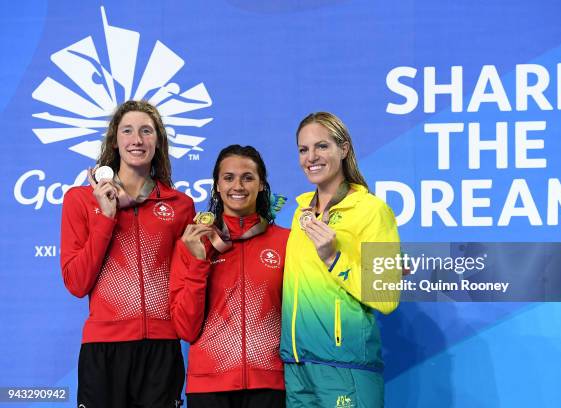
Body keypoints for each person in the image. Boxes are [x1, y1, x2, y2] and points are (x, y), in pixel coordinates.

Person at [60, 100, 194, 408]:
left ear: (157, 141)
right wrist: (105, 218)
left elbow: (185, 282)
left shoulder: (180, 206)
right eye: (128, 131)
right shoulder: (80, 200)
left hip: (161, 349)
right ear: (115, 141)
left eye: (146, 131)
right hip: (103, 349)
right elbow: (77, 283)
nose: (137, 139)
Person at [280, 112, 401, 408]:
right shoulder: (299, 214)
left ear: (343, 149)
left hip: (345, 365)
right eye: (303, 149)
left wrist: (334, 258)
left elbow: (386, 296)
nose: (311, 157)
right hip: (297, 366)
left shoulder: (372, 211)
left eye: (322, 146)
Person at [170, 145, 289, 408]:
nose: (238, 185)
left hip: (269, 385)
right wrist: (200, 262)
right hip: (208, 388)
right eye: (228, 177)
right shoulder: (192, 243)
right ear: (216, 187)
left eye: (248, 177)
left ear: (261, 186)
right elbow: (185, 330)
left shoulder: (286, 242)